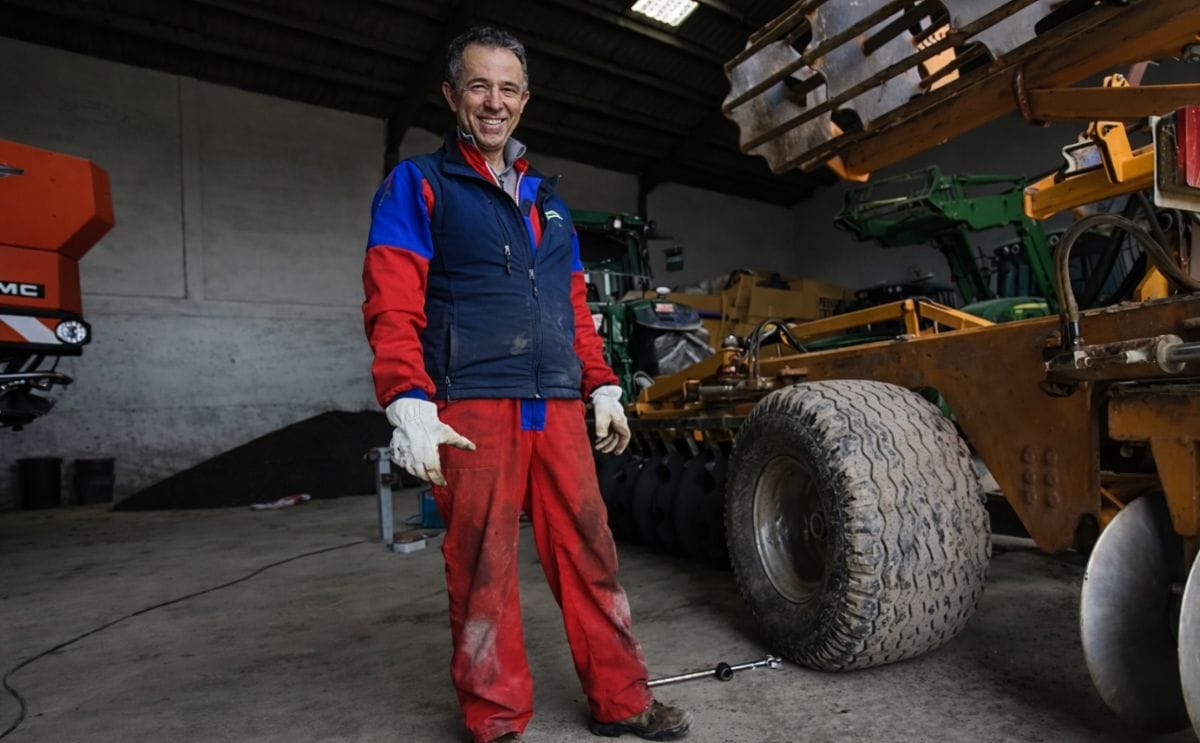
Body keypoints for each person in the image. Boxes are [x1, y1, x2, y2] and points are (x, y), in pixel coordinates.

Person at [361, 25, 693, 743]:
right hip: (473, 404)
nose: (493, 101)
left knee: (590, 548)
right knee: (482, 561)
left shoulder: (549, 200)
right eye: (478, 85)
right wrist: (406, 395)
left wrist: (600, 382)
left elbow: (572, 304)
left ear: (525, 100)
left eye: (508, 88)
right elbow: (392, 299)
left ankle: (622, 698)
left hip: (556, 404)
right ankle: (497, 718)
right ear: (452, 95)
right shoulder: (418, 185)